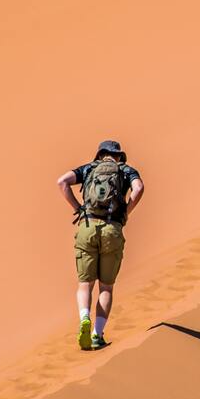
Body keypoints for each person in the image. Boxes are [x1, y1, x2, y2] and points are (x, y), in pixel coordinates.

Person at [56, 140, 145, 350]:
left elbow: (62, 182)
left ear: (100, 154)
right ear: (118, 156)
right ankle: (97, 333)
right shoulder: (126, 170)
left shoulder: (89, 168)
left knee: (85, 284)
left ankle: (84, 318)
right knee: (106, 287)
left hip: (87, 227)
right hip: (112, 230)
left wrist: (79, 208)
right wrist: (126, 211)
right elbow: (139, 188)